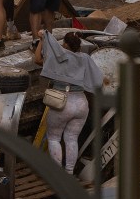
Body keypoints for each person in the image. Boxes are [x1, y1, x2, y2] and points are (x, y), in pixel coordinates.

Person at [34, 29, 102, 172]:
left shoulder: (56, 58)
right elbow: (98, 78)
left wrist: (42, 40)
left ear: (64, 44)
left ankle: (58, 175)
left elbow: (37, 60)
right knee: (71, 139)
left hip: (62, 102)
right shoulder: (85, 58)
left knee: (54, 138)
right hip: (82, 103)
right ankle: (69, 173)